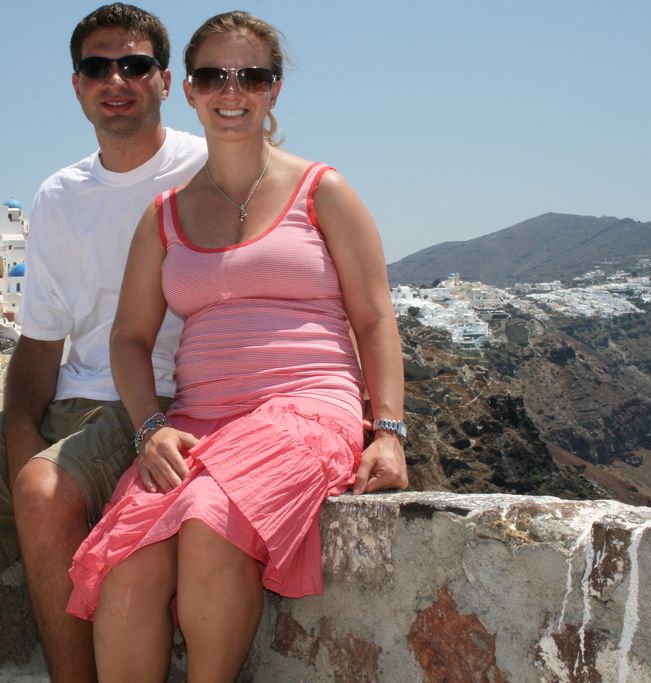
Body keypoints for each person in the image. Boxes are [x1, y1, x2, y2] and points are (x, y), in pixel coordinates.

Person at [66, 10, 409, 682]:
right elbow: (130, 337)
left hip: (305, 408)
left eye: (251, 76)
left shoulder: (323, 191)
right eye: (213, 76)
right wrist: (150, 429)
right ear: (189, 90)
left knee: (211, 515)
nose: (232, 91)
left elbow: (374, 318)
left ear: (274, 89)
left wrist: (390, 432)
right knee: (126, 567)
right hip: (197, 423)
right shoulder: (165, 214)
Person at [0, 4, 206, 681]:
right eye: (97, 66)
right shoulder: (59, 195)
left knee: (42, 491)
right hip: (69, 407)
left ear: (165, 80)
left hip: (154, 404)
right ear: (76, 85)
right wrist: (21, 431)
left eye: (134, 64)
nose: (115, 79)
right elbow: (40, 340)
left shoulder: (201, 169)